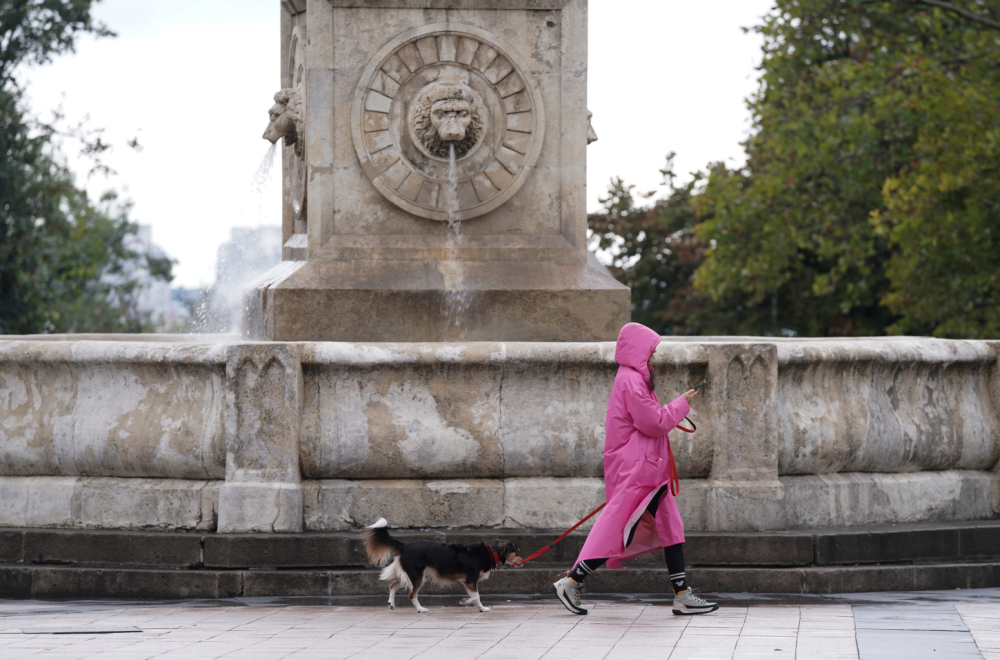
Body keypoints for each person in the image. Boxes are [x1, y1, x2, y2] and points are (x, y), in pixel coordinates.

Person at [552, 322, 718, 616]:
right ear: (639, 351)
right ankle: (571, 580)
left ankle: (681, 594)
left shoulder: (632, 378)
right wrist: (681, 404)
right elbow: (653, 423)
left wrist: (675, 406)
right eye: (651, 351)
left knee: (669, 527)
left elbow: (649, 419)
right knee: (618, 527)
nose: (653, 357)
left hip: (647, 469)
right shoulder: (631, 380)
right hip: (639, 470)